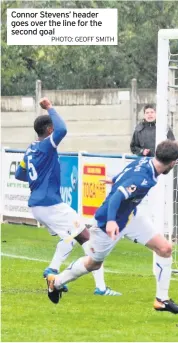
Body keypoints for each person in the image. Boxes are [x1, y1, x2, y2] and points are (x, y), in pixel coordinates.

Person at [45, 140, 178, 314]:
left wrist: (114, 180)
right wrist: (112, 221)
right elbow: (115, 199)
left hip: (130, 217)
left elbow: (125, 175)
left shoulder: (146, 162)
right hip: (107, 224)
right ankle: (56, 282)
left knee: (165, 248)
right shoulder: (142, 178)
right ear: (173, 163)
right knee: (93, 264)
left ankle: (162, 300)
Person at [15, 97, 120, 297]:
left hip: (38, 205)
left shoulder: (30, 149)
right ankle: (99, 287)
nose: (54, 130)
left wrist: (39, 180)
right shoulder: (47, 145)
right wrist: (50, 108)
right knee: (87, 237)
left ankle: (53, 270)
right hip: (50, 204)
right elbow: (63, 130)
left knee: (71, 239)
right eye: (52, 128)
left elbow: (19, 174)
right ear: (48, 131)